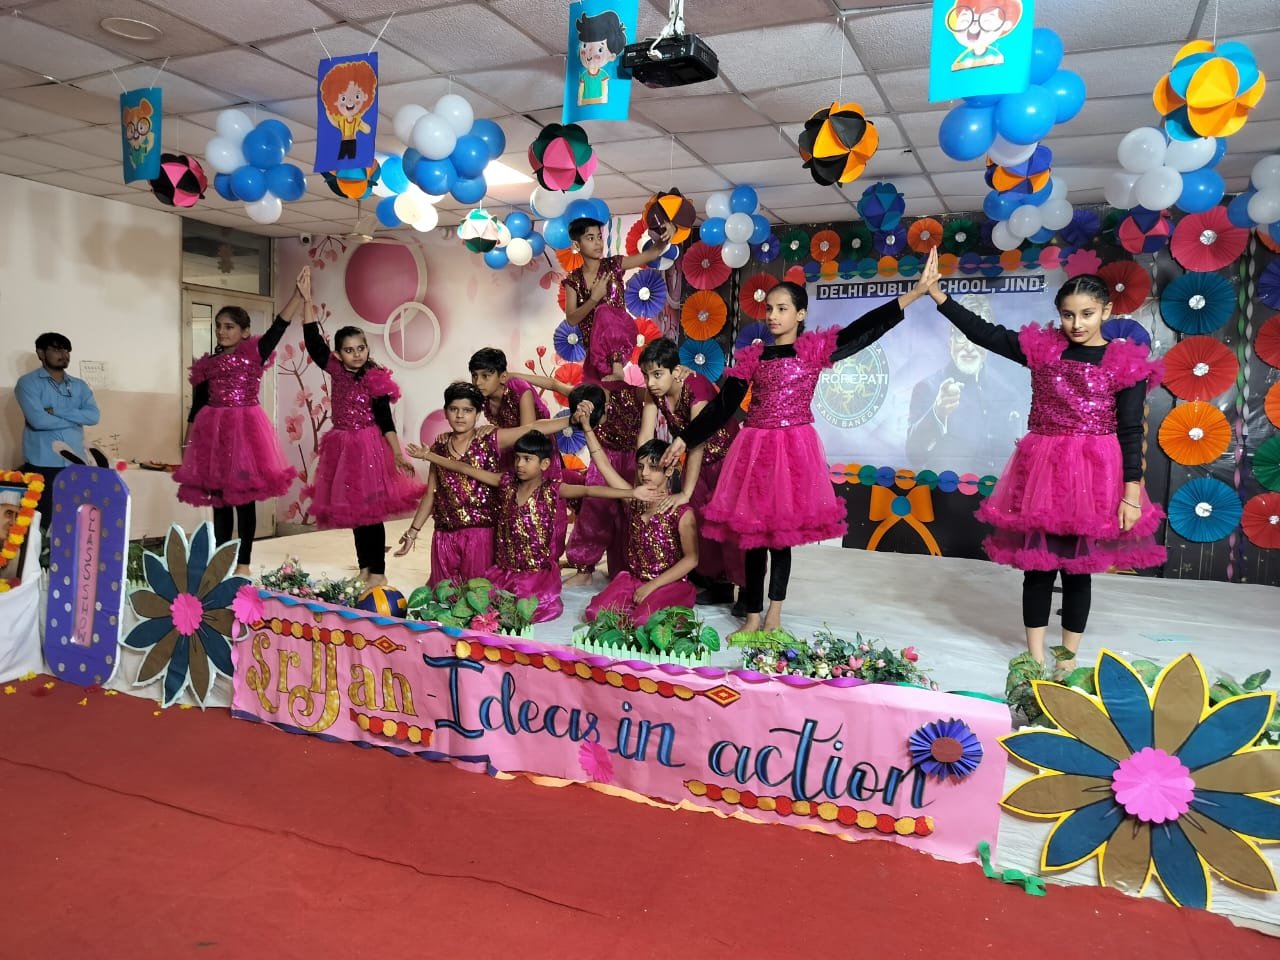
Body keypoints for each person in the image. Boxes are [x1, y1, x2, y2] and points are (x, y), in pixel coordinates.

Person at [667, 249, 942, 637]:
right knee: (753, 539)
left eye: (782, 309)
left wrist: (913, 295)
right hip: (756, 451)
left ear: (800, 314)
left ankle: (774, 614)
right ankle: (751, 615)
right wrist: (685, 438)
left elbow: (864, 329)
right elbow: (722, 406)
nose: (773, 315)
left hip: (793, 451)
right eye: (769, 309)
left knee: (780, 540)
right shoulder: (753, 357)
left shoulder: (813, 351)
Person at [922, 271, 1165, 669]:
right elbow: (985, 334)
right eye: (1068, 315)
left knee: (1078, 570)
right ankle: (1034, 656)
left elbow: (1130, 431)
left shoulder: (1125, 365)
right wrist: (938, 296)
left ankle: (1067, 658)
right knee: (1038, 567)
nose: (1077, 324)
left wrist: (1131, 493)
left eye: (1087, 314)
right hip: (1044, 470)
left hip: (1094, 474)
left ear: (1106, 311)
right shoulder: (1044, 350)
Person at [410, 429, 654, 623]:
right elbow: (466, 468)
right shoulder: (506, 483)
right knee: (480, 604)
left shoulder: (552, 490)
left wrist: (631, 492)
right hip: (504, 570)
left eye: (527, 459)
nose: (519, 464)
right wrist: (429, 456)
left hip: (535, 575)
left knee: (523, 612)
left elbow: (589, 490)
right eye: (517, 458)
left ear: (545, 464)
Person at [172, 270, 307, 575]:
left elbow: (279, 326)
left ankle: (243, 563)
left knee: (244, 501)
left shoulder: (253, 355)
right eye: (219, 326)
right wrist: (188, 446)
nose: (222, 332)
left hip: (245, 436)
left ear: (245, 332)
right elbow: (197, 408)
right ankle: (223, 562)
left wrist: (298, 297)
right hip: (214, 438)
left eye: (229, 327)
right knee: (220, 502)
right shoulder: (207, 365)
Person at [397, 382, 576, 586]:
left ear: (478, 413)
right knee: (442, 594)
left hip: (481, 536)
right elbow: (431, 493)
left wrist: (572, 420)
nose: (460, 416)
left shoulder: (489, 440)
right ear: (445, 412)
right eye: (454, 409)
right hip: (444, 535)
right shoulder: (438, 446)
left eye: (467, 410)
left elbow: (531, 428)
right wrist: (413, 532)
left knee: (478, 595)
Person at [302, 311, 425, 588]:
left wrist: (396, 453)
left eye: (361, 348)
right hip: (343, 448)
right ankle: (364, 568)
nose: (357, 354)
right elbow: (313, 343)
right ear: (338, 354)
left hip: (369, 447)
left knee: (371, 512)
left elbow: (385, 419)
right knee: (356, 512)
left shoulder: (375, 377)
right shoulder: (335, 370)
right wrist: (307, 303)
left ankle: (378, 571)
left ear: (367, 349)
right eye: (349, 350)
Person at [637, 338, 742, 605]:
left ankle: (747, 590)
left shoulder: (695, 387)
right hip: (698, 462)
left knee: (732, 525)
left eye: (657, 374)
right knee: (698, 519)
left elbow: (698, 441)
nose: (650, 382)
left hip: (727, 459)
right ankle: (717, 584)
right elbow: (645, 437)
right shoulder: (654, 393)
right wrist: (643, 475)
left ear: (676, 371)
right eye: (646, 375)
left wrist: (685, 491)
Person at [583, 430, 699, 625]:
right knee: (595, 613)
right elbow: (603, 464)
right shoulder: (635, 500)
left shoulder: (681, 512)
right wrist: (587, 428)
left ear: (669, 470)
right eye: (640, 466)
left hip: (668, 584)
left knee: (644, 622)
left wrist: (652, 586)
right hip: (634, 580)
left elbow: (692, 559)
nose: (644, 473)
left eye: (653, 467)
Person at [906, 293, 1025, 474]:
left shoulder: (1008, 394)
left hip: (996, 490)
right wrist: (938, 412)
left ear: (990, 343)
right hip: (947, 490)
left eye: (978, 338)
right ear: (951, 338)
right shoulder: (927, 388)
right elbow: (913, 456)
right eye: (962, 335)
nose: (969, 347)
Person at [562, 217, 674, 382]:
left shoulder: (613, 265)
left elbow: (651, 253)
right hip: (594, 350)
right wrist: (593, 299)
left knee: (603, 311)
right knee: (594, 393)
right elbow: (571, 319)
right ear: (576, 245)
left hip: (621, 341)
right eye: (590, 238)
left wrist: (667, 235)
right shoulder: (573, 280)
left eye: (599, 237)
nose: (598, 243)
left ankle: (617, 368)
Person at [563, 380, 646, 585]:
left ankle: (629, 567)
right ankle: (584, 568)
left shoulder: (637, 392)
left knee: (630, 515)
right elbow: (554, 384)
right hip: (604, 455)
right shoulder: (590, 393)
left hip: (634, 458)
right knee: (594, 510)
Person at [14, 332, 100, 530]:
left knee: (74, 517)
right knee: (44, 520)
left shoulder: (79, 386)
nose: (64, 354)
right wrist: (76, 417)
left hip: (76, 463)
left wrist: (56, 411)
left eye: (67, 350)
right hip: (44, 463)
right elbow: (38, 421)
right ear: (41, 353)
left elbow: (94, 417)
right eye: (56, 349)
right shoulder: (28, 383)